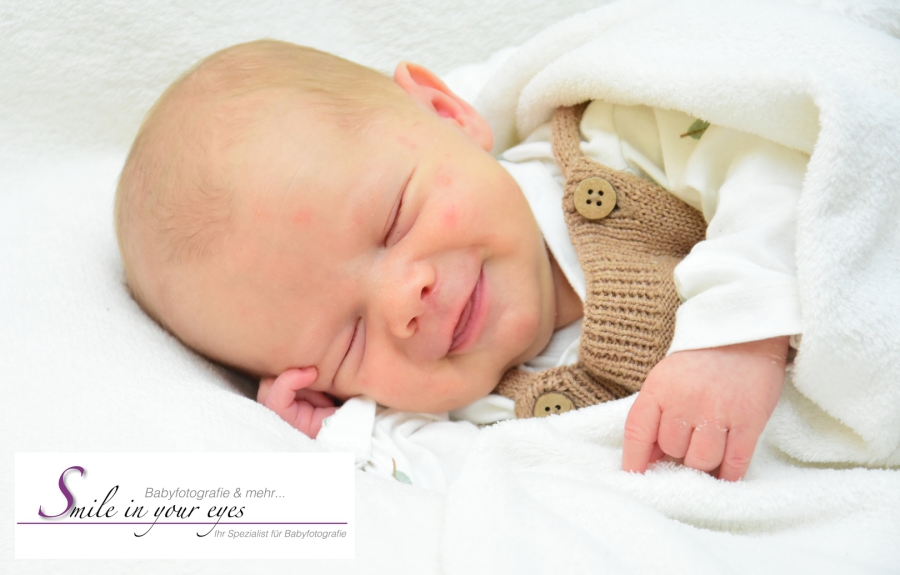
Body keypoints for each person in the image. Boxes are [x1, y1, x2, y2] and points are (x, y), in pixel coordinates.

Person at [114, 39, 804, 481]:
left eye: (394, 221)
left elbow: (781, 161)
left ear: (447, 114)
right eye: (350, 339)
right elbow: (462, 492)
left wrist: (740, 336)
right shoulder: (465, 415)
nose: (403, 302)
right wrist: (336, 435)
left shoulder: (614, 145)